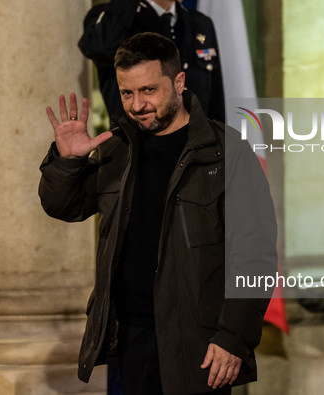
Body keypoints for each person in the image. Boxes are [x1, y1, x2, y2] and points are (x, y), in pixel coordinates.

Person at [39, 32, 277, 394]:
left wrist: (233, 337)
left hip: (200, 344)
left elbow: (255, 255)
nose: (137, 105)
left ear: (178, 82)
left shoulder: (226, 151)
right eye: (127, 93)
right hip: (131, 340)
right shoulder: (115, 149)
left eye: (148, 90)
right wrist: (68, 162)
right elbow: (64, 206)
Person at [78, 0, 225, 123]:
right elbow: (98, 47)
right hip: (139, 152)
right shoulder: (116, 18)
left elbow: (215, 104)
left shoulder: (200, 23)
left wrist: (220, 150)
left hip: (197, 151)